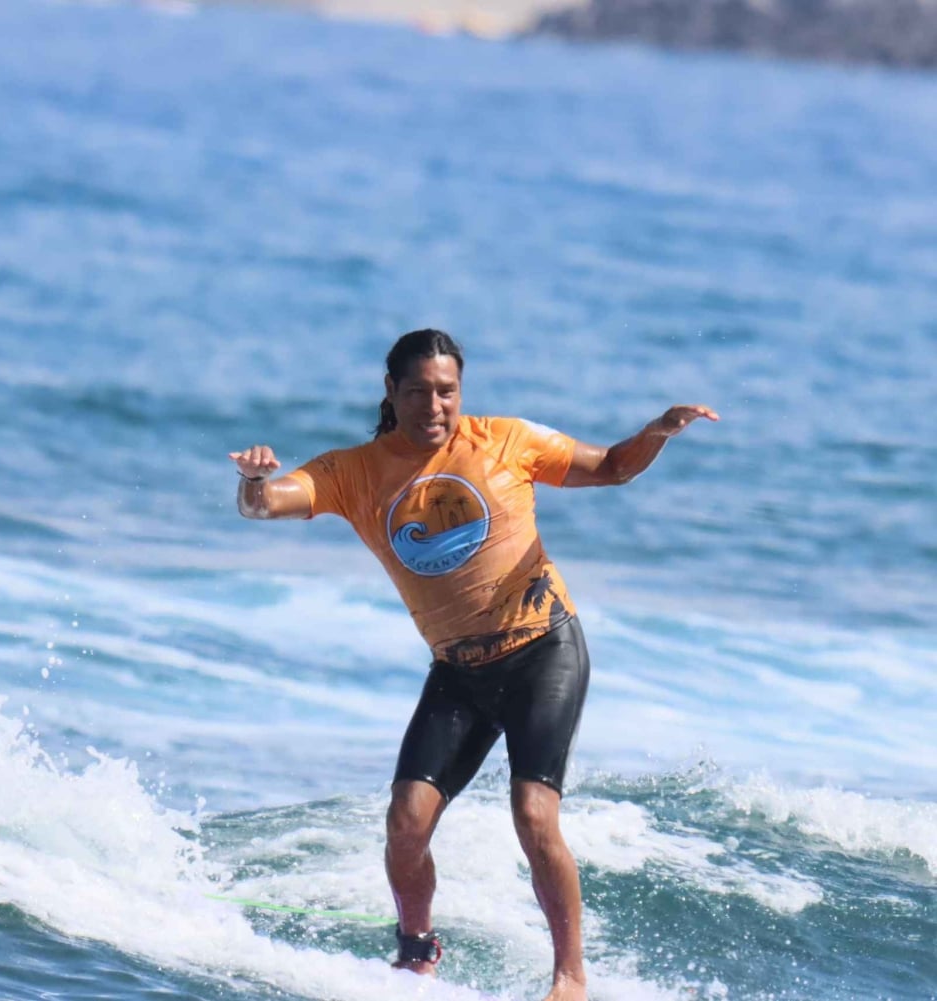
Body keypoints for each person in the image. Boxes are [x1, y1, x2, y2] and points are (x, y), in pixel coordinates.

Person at [229, 329, 716, 1001]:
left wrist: (657, 431)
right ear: (391, 392)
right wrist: (253, 480)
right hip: (459, 670)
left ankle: (570, 979)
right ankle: (417, 953)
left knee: (533, 813)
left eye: (447, 391)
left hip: (543, 650)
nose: (435, 406)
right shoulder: (353, 472)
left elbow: (610, 466)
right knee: (406, 821)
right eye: (419, 392)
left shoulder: (506, 440)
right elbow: (263, 505)